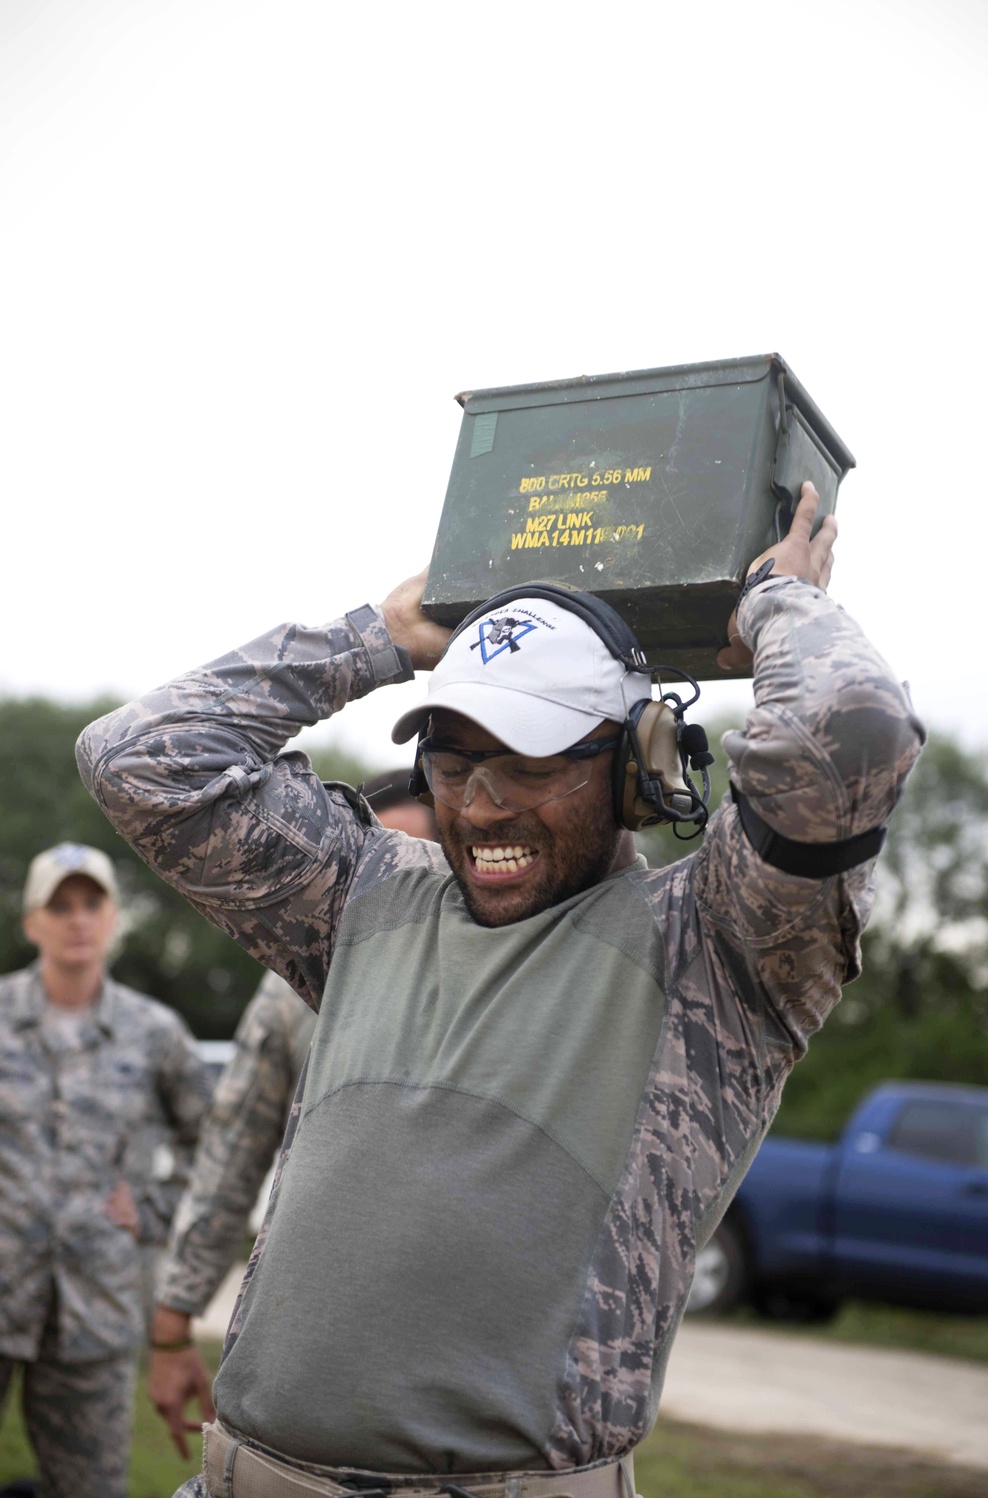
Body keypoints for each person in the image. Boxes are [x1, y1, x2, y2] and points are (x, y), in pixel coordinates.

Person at [76, 486, 923, 1498]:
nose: (478, 804)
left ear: (637, 766)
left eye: (525, 760)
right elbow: (137, 760)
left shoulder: (718, 951)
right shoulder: (363, 899)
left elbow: (854, 728)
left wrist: (776, 606)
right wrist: (382, 637)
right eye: (451, 757)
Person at [146, 772, 437, 1458]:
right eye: (386, 856)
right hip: (309, 1353)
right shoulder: (290, 996)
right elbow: (231, 1156)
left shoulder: (513, 983)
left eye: (427, 859)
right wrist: (171, 1324)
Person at [0, 843, 213, 1498]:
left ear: (115, 917)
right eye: (59, 906)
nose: (77, 920)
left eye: (92, 904)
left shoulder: (155, 1032)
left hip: (94, 1308)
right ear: (32, 922)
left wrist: (153, 1209)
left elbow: (216, 1139)